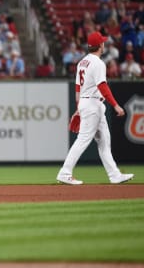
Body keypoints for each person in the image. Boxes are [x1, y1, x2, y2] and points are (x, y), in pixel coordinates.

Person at [56, 31, 134, 185]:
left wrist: (79, 108)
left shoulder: (82, 62)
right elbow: (102, 86)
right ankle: (65, 172)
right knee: (83, 139)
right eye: (103, 42)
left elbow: (77, 87)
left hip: (88, 103)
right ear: (100, 45)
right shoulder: (98, 63)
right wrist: (116, 105)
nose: (104, 44)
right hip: (93, 104)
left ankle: (114, 175)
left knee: (104, 141)